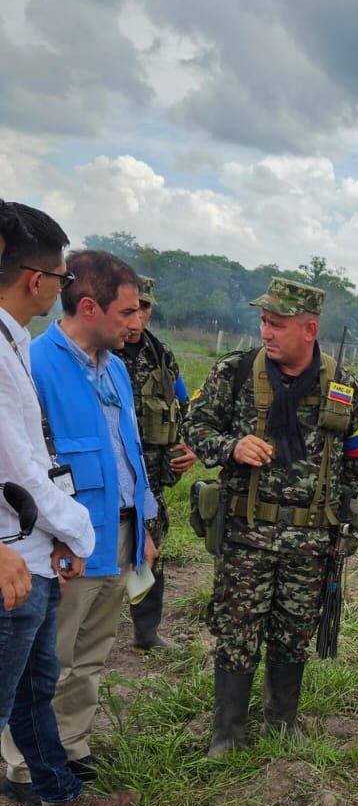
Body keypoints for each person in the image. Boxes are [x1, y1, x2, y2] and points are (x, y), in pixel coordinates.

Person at [187, 278, 358, 754]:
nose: (266, 332)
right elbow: (194, 424)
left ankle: (281, 722)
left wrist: (336, 505)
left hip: (310, 542)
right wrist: (231, 446)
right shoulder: (234, 372)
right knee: (237, 629)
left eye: (278, 324)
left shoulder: (344, 385)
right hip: (246, 534)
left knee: (294, 633)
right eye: (264, 322)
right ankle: (228, 733)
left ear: (309, 329)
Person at [0, 208, 140, 806]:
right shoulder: (27, 356)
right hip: (34, 547)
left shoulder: (103, 366)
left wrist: (141, 523)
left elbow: (115, 453)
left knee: (55, 673)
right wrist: (73, 532)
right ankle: (32, 776)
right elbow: (22, 463)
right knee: (25, 685)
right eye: (56, 275)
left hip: (70, 536)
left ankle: (62, 786)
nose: (136, 323)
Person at [118, 275, 196, 652]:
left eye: (145, 307)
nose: (138, 316)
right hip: (108, 473)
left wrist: (188, 447)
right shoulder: (98, 350)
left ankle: (145, 634)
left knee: (150, 551)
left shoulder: (162, 356)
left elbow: (183, 409)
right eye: (132, 307)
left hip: (151, 478)